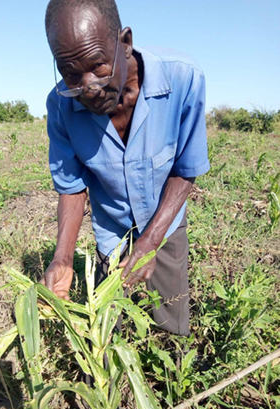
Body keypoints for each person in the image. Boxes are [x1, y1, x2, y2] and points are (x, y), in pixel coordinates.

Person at [41, 0, 209, 336]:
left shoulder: (182, 78)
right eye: (71, 73)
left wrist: (149, 243)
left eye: (98, 66)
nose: (88, 87)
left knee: (170, 323)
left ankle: (172, 385)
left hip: (165, 221)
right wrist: (62, 258)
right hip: (111, 227)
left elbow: (185, 168)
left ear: (125, 42)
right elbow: (72, 187)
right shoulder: (61, 105)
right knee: (105, 330)